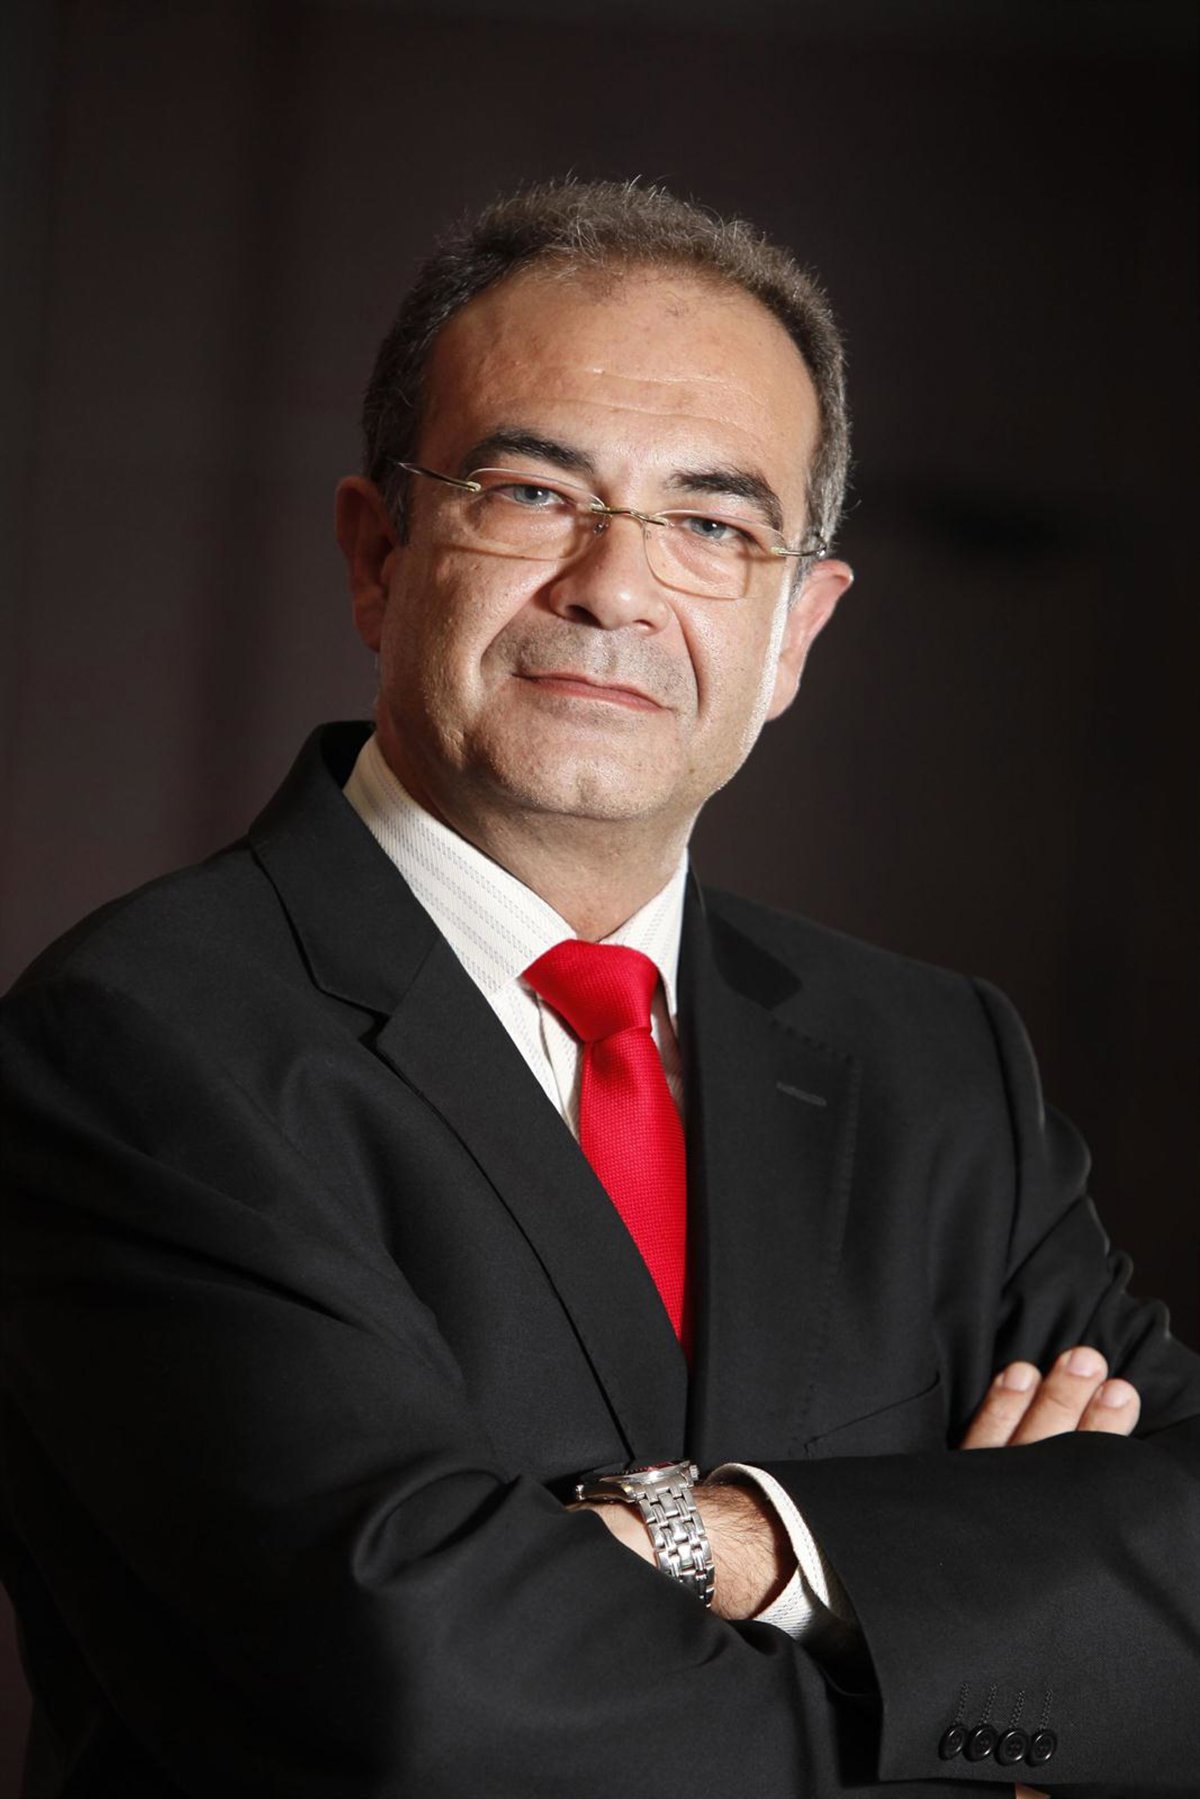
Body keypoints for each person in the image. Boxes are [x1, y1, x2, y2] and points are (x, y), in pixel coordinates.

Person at [1, 180, 1196, 1799]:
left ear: (796, 630)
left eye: (713, 525)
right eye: (530, 492)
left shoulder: (932, 1063)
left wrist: (746, 1539)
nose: (614, 588)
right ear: (377, 555)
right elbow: (427, 1702)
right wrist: (991, 1671)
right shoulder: (136, 1047)